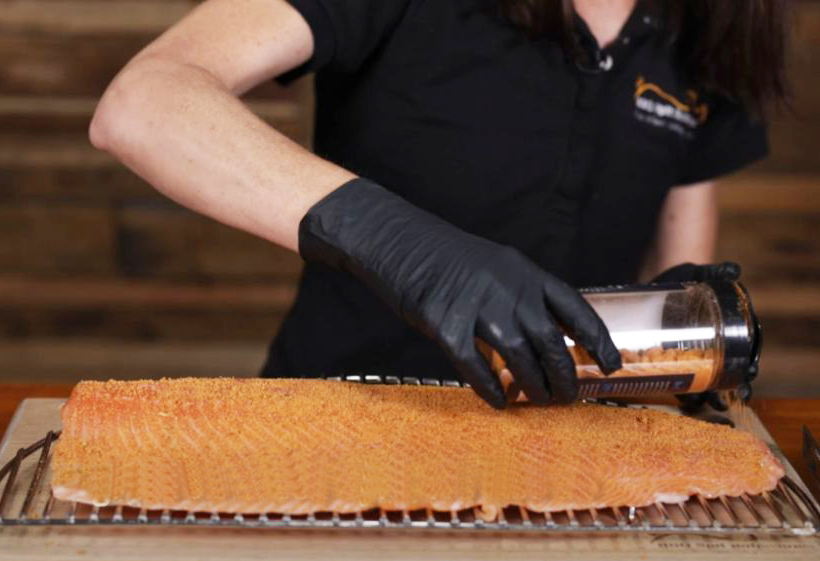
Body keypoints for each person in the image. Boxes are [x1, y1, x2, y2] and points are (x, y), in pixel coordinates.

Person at [88, 0, 787, 408]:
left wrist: (690, 330)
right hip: (341, 411)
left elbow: (682, 247)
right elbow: (144, 103)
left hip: (559, 454)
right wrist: (410, 249)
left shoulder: (713, 21)